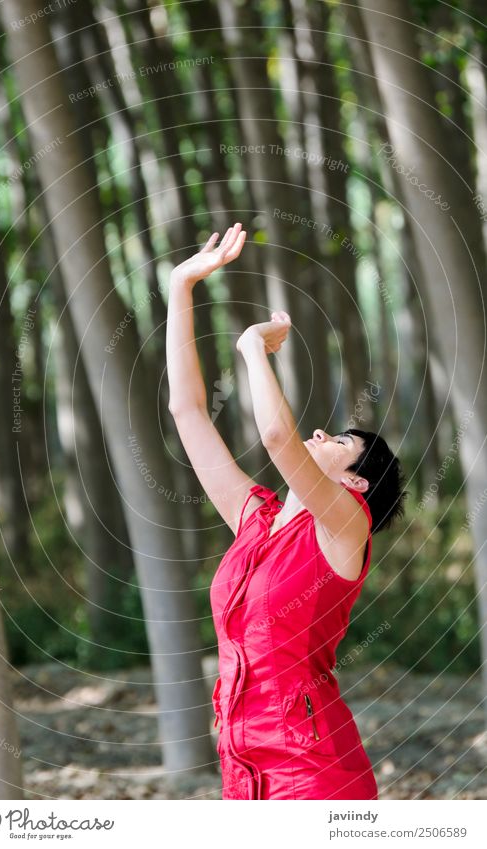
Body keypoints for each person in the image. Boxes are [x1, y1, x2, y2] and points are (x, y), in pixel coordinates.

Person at [166, 222, 407, 800]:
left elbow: (277, 435)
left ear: (355, 481)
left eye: (342, 442)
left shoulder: (347, 526)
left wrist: (252, 346)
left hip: (312, 779)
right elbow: (187, 411)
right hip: (243, 776)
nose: (322, 432)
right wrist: (180, 287)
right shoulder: (256, 522)